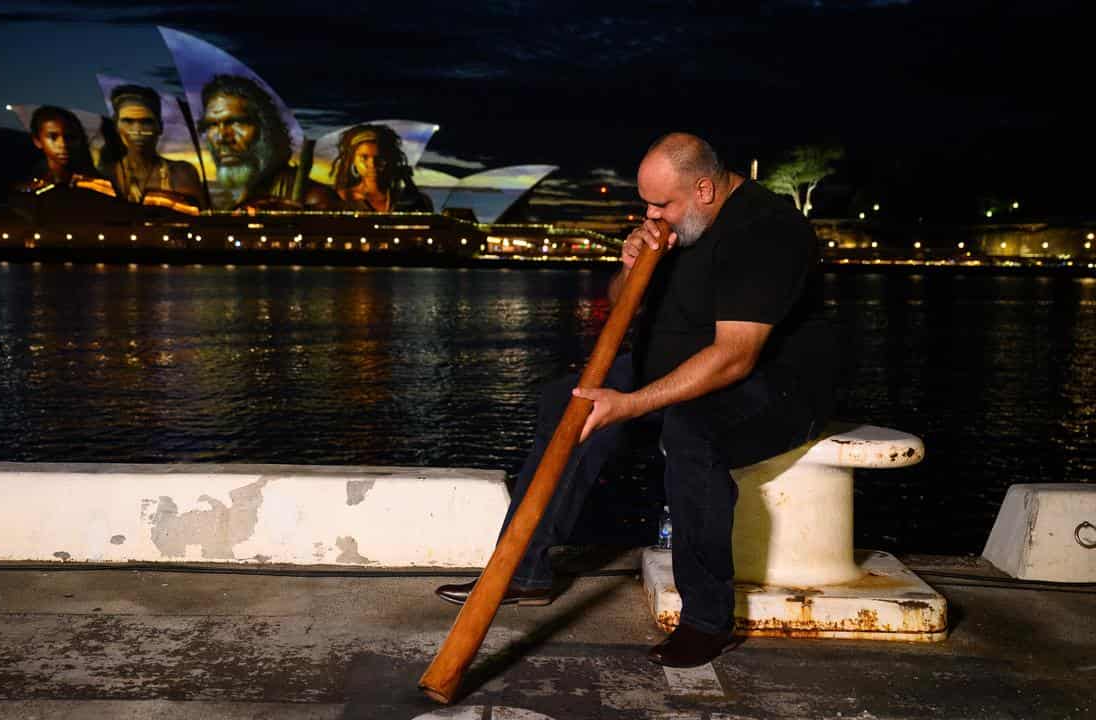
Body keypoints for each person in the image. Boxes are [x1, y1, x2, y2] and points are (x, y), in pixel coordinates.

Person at [435, 132, 837, 669]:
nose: (651, 214)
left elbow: (735, 357)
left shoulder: (766, 229)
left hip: (776, 386)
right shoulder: (678, 226)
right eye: (645, 203)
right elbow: (619, 302)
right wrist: (630, 265)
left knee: (692, 431)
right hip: (682, 366)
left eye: (661, 204)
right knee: (567, 400)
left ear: (704, 189)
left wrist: (630, 405)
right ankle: (523, 571)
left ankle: (707, 621)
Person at [197, 74, 338, 210]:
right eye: (212, 125)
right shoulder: (243, 195)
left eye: (237, 122)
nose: (221, 137)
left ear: (268, 129)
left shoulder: (314, 198)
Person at [98, 84, 205, 208]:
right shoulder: (106, 176)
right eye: (128, 121)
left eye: (146, 122)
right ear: (117, 127)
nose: (137, 130)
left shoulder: (181, 173)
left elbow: (199, 219)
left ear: (159, 126)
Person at [329, 124, 432, 212]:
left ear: (390, 158)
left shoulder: (411, 200)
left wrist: (407, 180)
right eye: (364, 157)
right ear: (352, 160)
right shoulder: (339, 199)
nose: (372, 164)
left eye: (380, 157)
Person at [26, 106, 97, 185]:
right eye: (53, 137)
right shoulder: (31, 182)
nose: (63, 144)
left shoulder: (94, 181)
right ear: (38, 141)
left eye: (70, 137)